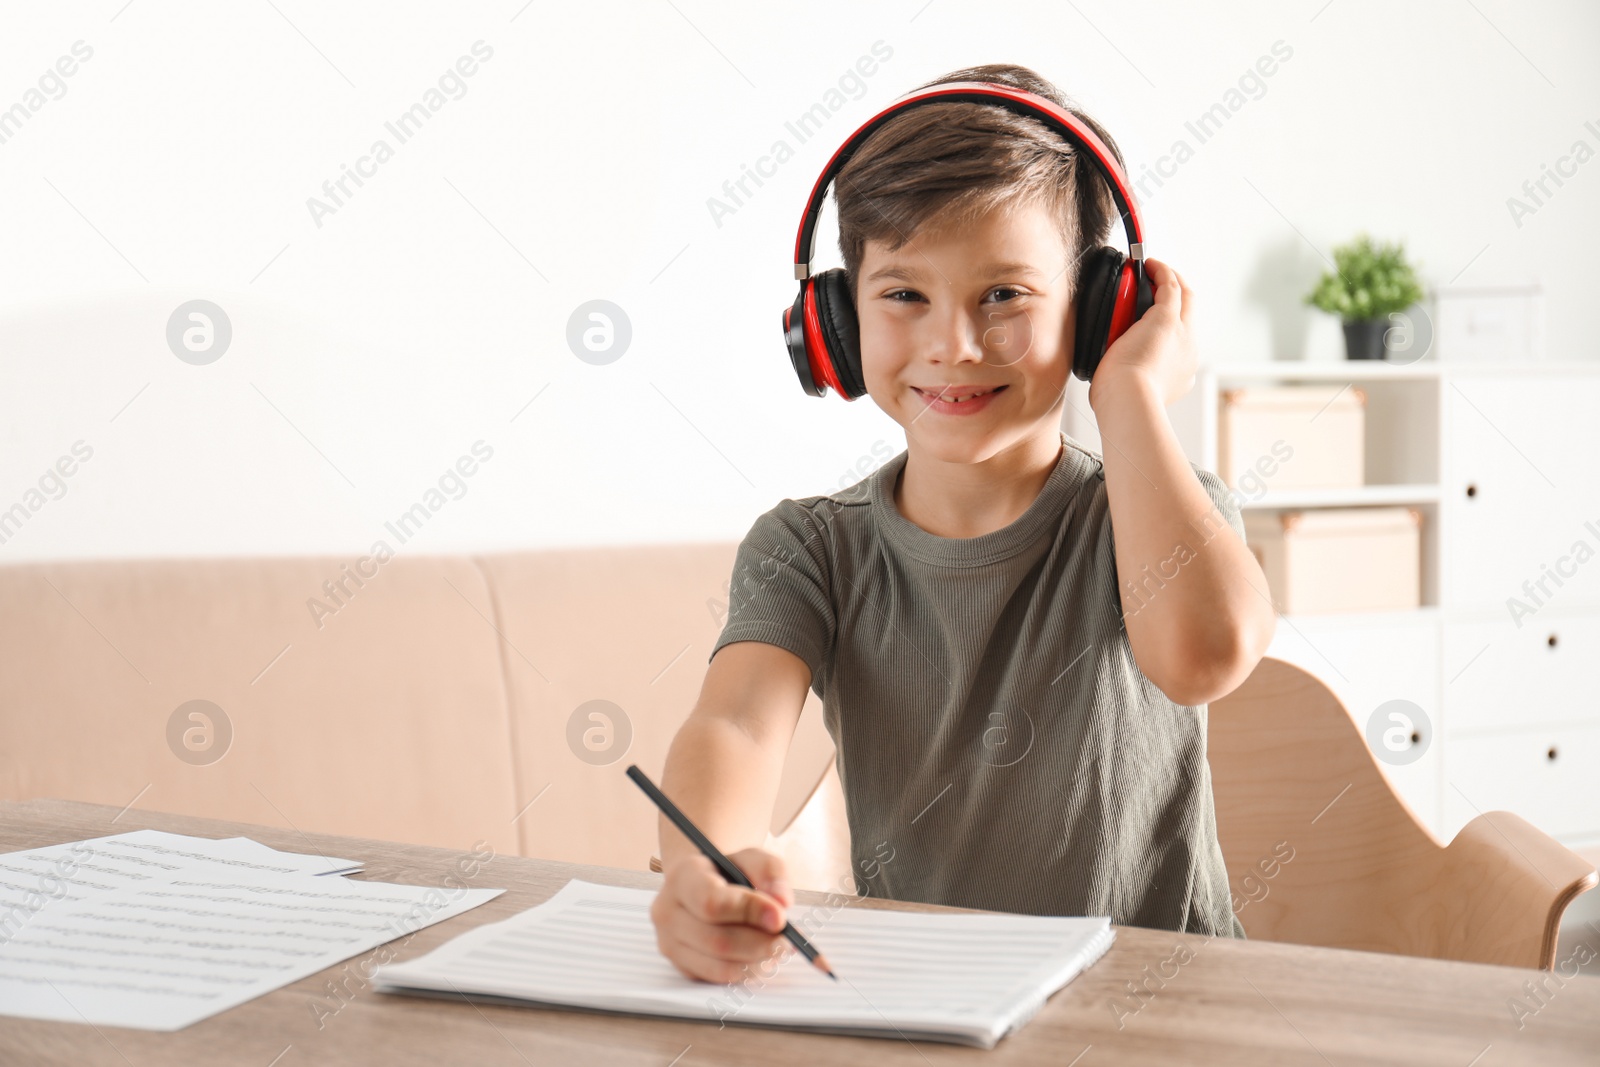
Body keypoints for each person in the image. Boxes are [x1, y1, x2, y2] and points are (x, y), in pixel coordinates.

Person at [649, 62, 1275, 984]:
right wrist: (705, 866)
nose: (953, 343)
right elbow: (735, 726)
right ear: (834, 323)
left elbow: (1204, 654)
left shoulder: (1149, 513)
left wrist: (1130, 393)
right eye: (904, 295)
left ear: (1100, 314)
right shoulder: (812, 549)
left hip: (1158, 1010)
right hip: (933, 1002)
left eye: (1005, 295)